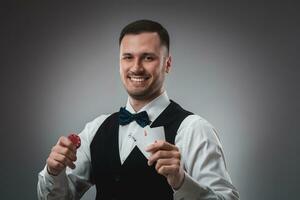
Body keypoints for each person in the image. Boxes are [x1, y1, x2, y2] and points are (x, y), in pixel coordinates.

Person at [37, 19, 239, 200]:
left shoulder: (194, 129)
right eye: (128, 57)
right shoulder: (96, 128)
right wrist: (54, 172)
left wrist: (181, 181)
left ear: (167, 64)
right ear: (119, 63)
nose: (136, 68)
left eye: (148, 57)